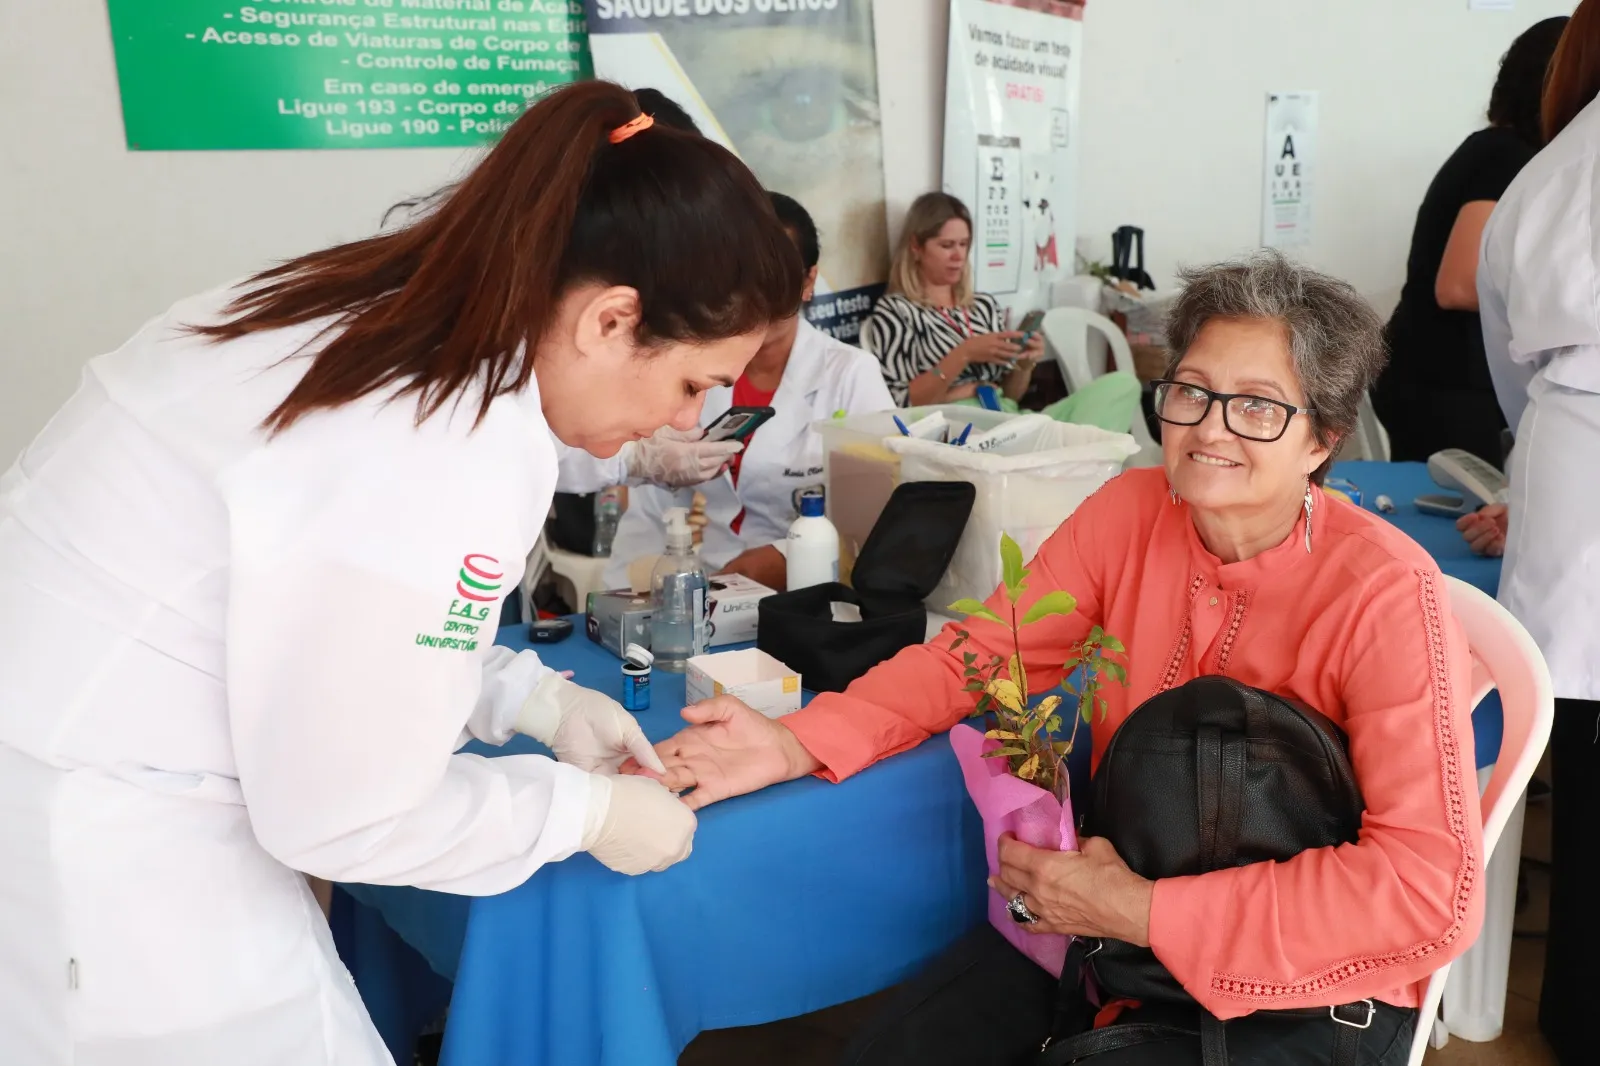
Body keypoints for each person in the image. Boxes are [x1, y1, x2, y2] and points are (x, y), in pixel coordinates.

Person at [0, 81, 803, 1066]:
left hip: (78, 772)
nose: (687, 421)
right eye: (691, 385)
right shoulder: (450, 439)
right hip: (108, 862)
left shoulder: (364, 317)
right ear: (609, 320)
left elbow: (330, 619)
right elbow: (344, 819)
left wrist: (531, 697)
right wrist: (583, 814)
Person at [639, 253, 1484, 1065]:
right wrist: (800, 741)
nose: (1209, 428)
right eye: (1191, 391)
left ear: (1322, 440)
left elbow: (1426, 892)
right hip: (1105, 930)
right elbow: (979, 657)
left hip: (1293, 982)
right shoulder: (1129, 511)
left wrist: (1145, 910)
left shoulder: (1383, 592)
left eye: (1258, 407)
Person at [1477, 5, 1600, 1060]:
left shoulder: (1553, 167)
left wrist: (1542, 453)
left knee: (1585, 768)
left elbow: (1506, 353)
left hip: (1571, 460)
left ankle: (1574, 1008)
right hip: (1566, 457)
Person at [600, 192, 894, 591]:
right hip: (713, 586)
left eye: (779, 278)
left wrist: (786, 557)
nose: (759, 296)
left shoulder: (850, 374)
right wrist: (620, 601)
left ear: (808, 281)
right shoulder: (691, 367)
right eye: (744, 275)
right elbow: (654, 509)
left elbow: (878, 513)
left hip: (813, 593)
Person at [1372, 16, 1569, 464]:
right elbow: (1459, 285)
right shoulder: (1505, 156)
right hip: (1443, 383)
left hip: (1441, 377)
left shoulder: (1505, 152)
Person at [866, 192, 1044, 407]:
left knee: (1096, 395)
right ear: (916, 246)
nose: (958, 256)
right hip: (948, 428)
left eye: (964, 244)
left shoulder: (983, 307)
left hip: (1000, 416)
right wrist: (964, 354)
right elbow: (899, 402)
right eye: (947, 245)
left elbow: (1009, 397)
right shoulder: (897, 311)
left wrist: (1024, 365)